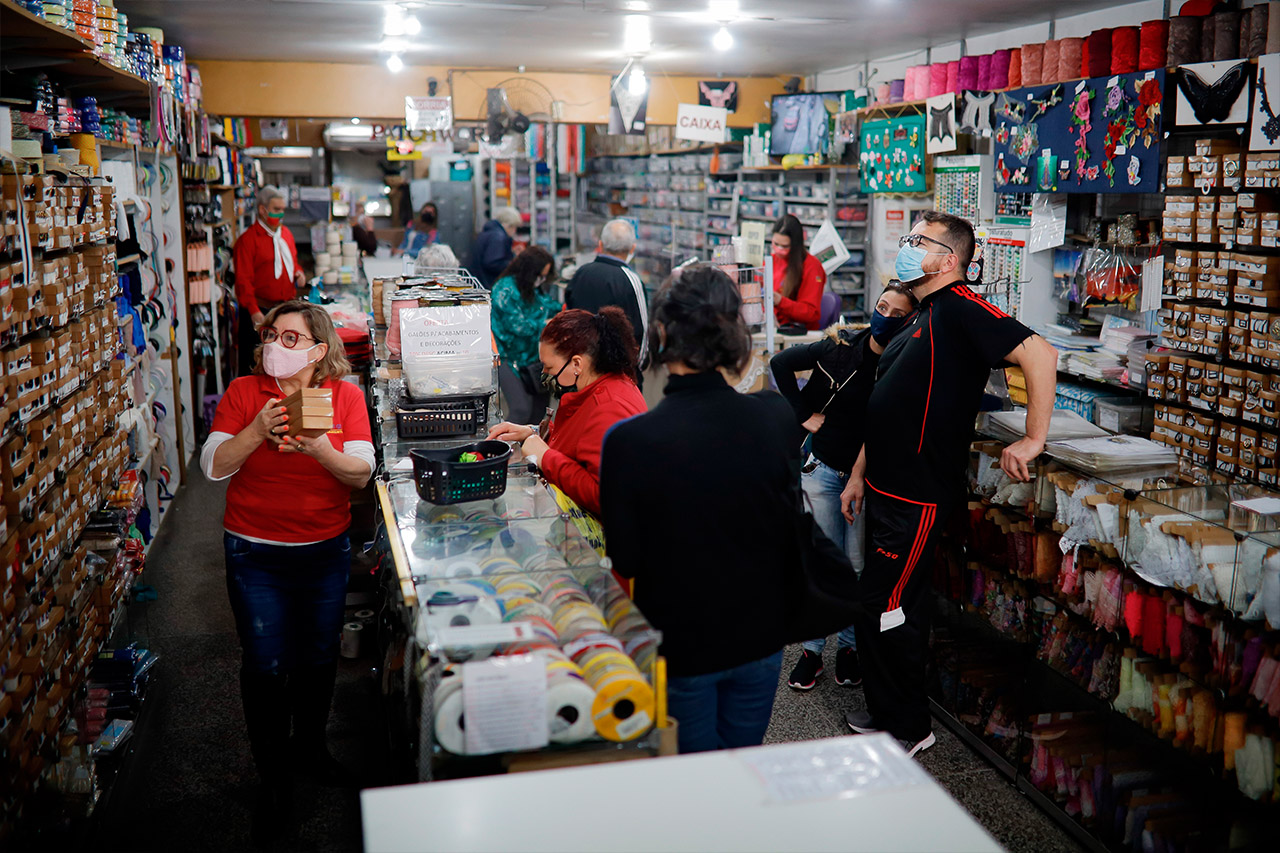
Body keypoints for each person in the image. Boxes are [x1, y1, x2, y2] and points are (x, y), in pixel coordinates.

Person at [839, 211, 1058, 757]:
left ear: (949, 259)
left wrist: (1033, 438)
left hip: (916, 495)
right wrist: (859, 474)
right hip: (885, 488)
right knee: (882, 602)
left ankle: (909, 727)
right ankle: (889, 709)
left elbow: (1040, 353)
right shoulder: (921, 312)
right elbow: (887, 401)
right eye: (909, 238)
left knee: (888, 605)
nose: (908, 247)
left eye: (919, 241)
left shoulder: (962, 308)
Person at [599, 265, 808, 754]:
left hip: (682, 643)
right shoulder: (776, 417)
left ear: (663, 332)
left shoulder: (630, 441)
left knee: (693, 784)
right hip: (761, 636)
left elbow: (626, 559)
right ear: (734, 333)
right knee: (742, 766)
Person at [200, 300, 374, 841]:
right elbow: (212, 466)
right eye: (274, 334)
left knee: (319, 658)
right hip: (256, 552)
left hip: (324, 551)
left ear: (320, 350)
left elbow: (361, 474)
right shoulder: (245, 393)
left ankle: (312, 749)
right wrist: (255, 432)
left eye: (292, 338)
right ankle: (274, 777)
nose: (276, 343)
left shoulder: (345, 397)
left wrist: (321, 449)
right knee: (266, 663)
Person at [770, 280, 919, 691]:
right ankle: (812, 651)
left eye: (896, 313)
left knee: (857, 568)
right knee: (821, 562)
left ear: (911, 320)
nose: (884, 317)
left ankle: (849, 649)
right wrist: (803, 413)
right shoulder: (839, 347)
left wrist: (858, 475)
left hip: (866, 480)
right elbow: (781, 363)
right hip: (822, 469)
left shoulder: (903, 363)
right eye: (881, 307)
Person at [488, 307, 645, 516]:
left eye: (549, 367)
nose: (544, 374)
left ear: (577, 364)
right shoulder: (600, 388)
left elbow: (604, 495)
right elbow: (579, 441)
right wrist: (532, 433)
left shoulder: (608, 407)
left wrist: (545, 456)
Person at [233, 186, 305, 377]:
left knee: (284, 364)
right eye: (276, 209)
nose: (280, 214)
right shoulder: (247, 240)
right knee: (257, 365)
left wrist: (298, 273)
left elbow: (293, 262)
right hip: (260, 311)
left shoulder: (286, 234)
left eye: (283, 209)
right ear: (263, 210)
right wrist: (254, 310)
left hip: (285, 308)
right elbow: (243, 281)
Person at [564, 219, 649, 379]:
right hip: (618, 374)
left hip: (581, 367)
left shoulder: (582, 273)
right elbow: (641, 331)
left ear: (601, 245)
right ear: (632, 248)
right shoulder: (631, 280)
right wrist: (637, 367)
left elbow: (569, 316)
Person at [491, 246, 560, 426]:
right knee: (521, 410)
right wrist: (545, 324)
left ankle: (528, 450)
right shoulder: (505, 290)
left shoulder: (531, 287)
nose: (542, 280)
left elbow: (545, 305)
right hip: (506, 357)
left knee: (539, 410)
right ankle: (499, 447)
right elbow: (517, 326)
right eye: (540, 275)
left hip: (532, 357)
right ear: (530, 271)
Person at [771, 213, 827, 331]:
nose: (779, 250)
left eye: (785, 246)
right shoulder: (771, 260)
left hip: (800, 333)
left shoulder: (812, 267)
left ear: (795, 245)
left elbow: (811, 313)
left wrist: (780, 301)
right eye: (776, 244)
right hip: (776, 327)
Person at [471, 205, 520, 287]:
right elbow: (492, 263)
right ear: (509, 225)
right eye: (515, 227)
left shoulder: (489, 232)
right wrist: (513, 263)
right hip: (487, 282)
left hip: (479, 280)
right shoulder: (498, 237)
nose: (514, 231)